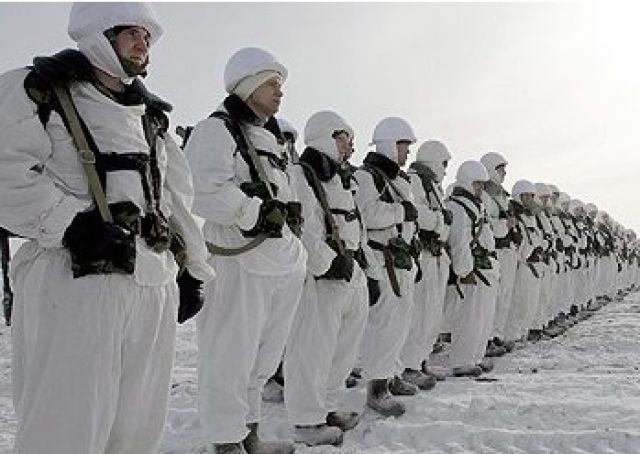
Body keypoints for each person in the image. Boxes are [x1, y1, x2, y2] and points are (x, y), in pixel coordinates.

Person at [0, 3, 215, 453]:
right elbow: (6, 172)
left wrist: (193, 268)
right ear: (99, 34)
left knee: (137, 428)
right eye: (131, 32)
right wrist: (70, 225)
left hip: (152, 281)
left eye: (148, 36)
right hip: (73, 280)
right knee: (65, 427)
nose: (143, 43)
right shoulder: (38, 91)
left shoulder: (151, 117)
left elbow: (174, 196)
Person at [184, 47, 307, 454]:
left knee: (262, 358)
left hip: (279, 262)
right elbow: (201, 190)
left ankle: (249, 434)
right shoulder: (215, 131)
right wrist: (252, 210)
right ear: (248, 85)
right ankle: (226, 441)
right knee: (230, 357)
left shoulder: (272, 140)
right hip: (238, 261)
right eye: (271, 83)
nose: (279, 92)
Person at [285, 111, 371, 446]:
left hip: (351, 272)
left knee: (343, 347)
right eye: (344, 137)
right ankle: (307, 419)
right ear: (326, 136)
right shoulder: (302, 174)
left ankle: (328, 406)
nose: (350, 145)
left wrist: (365, 268)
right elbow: (302, 226)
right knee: (313, 348)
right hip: (321, 276)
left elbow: (355, 223)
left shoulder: (341, 178)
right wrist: (327, 264)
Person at [354, 116, 419, 417]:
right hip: (382, 261)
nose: (407, 153)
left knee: (399, 325)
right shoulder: (367, 177)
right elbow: (367, 214)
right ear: (390, 145)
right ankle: (376, 388)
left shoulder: (398, 180)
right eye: (404, 146)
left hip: (401, 260)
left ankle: (390, 375)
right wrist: (400, 211)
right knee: (384, 327)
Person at [400, 139, 452, 384]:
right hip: (424, 255)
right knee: (418, 314)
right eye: (444, 163)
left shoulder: (433, 186)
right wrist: (440, 221)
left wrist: (441, 222)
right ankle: (409, 366)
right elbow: (420, 216)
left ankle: (421, 360)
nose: (445, 169)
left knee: (431, 315)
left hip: (436, 255)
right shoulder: (415, 181)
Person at [444, 160, 499, 377]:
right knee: (469, 317)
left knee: (482, 317)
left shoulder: (476, 205)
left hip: (485, 267)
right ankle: (462, 360)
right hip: (472, 270)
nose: (480, 188)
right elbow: (459, 241)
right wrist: (464, 271)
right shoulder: (458, 206)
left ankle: (475, 356)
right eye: (477, 184)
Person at [480, 151, 518, 355]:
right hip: (495, 249)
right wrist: (505, 225)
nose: (504, 173)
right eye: (500, 169)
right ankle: (485, 339)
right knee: (492, 298)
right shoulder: (485, 196)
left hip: (505, 250)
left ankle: (496, 334)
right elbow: (486, 225)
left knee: (503, 297)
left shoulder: (501, 195)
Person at [504, 180, 543, 345]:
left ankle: (521, 332)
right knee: (515, 300)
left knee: (527, 300)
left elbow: (536, 238)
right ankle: (510, 335)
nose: (529, 199)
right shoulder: (513, 212)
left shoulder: (530, 215)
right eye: (526, 196)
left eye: (531, 196)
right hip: (517, 261)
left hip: (527, 261)